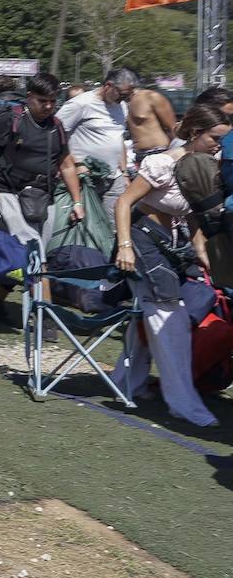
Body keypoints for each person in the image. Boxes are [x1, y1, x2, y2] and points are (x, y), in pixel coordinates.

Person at [112, 103, 231, 427]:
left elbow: (192, 212)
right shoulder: (162, 163)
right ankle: (183, 402)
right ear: (195, 133)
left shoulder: (206, 165)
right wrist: (124, 247)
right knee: (169, 317)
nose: (219, 145)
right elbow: (123, 203)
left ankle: (127, 382)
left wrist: (201, 249)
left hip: (174, 243)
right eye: (214, 138)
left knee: (157, 314)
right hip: (142, 239)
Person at [0, 73, 83, 331]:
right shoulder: (9, 120)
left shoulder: (56, 127)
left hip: (40, 197)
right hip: (7, 192)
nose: (48, 106)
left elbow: (67, 165)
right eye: (42, 101)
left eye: (52, 101)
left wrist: (78, 202)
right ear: (30, 97)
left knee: (29, 253)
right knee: (35, 253)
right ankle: (45, 317)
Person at [57, 67, 137, 215]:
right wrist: (77, 163)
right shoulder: (81, 104)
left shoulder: (122, 107)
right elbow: (57, 134)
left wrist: (124, 173)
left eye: (128, 96)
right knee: (89, 227)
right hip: (85, 178)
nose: (124, 99)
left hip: (114, 178)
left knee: (116, 226)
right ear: (108, 86)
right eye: (123, 94)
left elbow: (118, 140)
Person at [128, 87, 177, 165]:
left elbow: (172, 128)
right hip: (137, 156)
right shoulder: (120, 104)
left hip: (158, 153)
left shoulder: (151, 97)